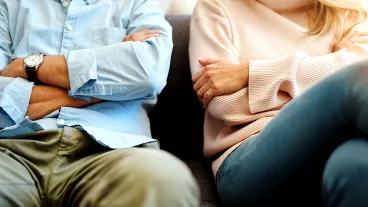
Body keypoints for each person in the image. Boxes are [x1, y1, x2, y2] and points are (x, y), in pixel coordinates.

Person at [0, 0, 199, 206]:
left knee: (165, 180)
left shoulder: (139, 4)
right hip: (14, 149)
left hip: (113, 152)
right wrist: (114, 84)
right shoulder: (7, 5)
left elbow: (149, 73)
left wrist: (28, 66)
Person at [189, 0, 368, 206]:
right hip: (250, 160)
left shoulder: (348, 11)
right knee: (355, 79)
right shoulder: (216, 7)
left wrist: (251, 73)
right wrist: (322, 80)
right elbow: (224, 105)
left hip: (335, 145)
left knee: (357, 164)